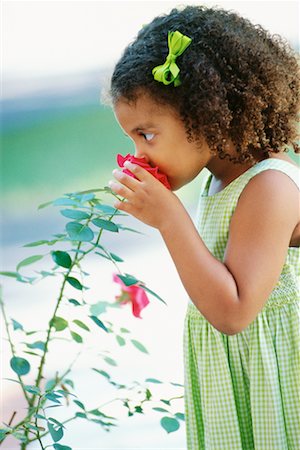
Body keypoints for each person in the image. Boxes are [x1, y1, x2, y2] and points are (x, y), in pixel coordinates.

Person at [108, 5, 300, 449]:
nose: (139, 153)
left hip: (276, 386)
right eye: (131, 139)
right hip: (235, 384)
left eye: (147, 134)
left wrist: (169, 218)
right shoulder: (218, 180)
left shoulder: (270, 186)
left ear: (206, 114)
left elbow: (233, 312)